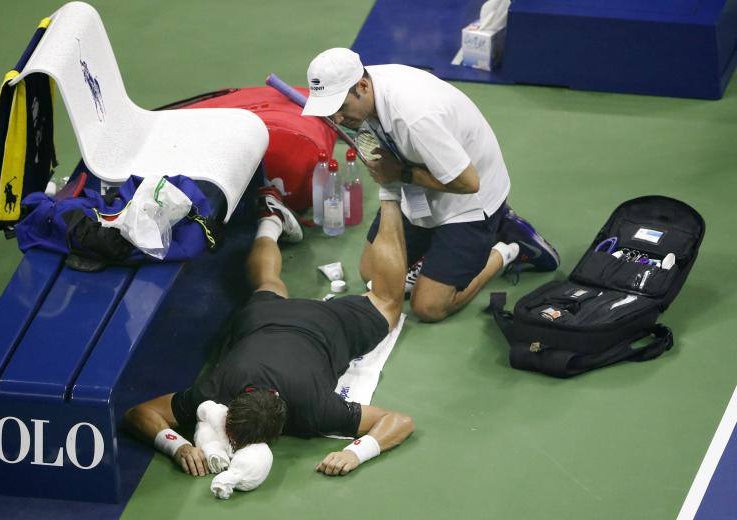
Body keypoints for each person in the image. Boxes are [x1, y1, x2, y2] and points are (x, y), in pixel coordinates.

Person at [125, 186, 414, 477]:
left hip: (302, 320)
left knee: (275, 283)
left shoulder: (312, 409)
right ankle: (377, 198)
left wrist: (356, 453)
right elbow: (396, 420)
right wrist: (178, 447)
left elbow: (400, 421)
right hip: (287, 320)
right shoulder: (222, 393)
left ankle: (280, 217)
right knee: (381, 299)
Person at [302, 48, 560, 323]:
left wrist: (399, 173)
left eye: (340, 108)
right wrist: (392, 179)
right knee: (372, 274)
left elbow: (469, 183)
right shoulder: (365, 87)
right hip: (418, 183)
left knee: (428, 307)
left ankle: (507, 247)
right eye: (330, 111)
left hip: (470, 199)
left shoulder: (415, 116)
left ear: (362, 86)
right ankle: (435, 256)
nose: (337, 120)